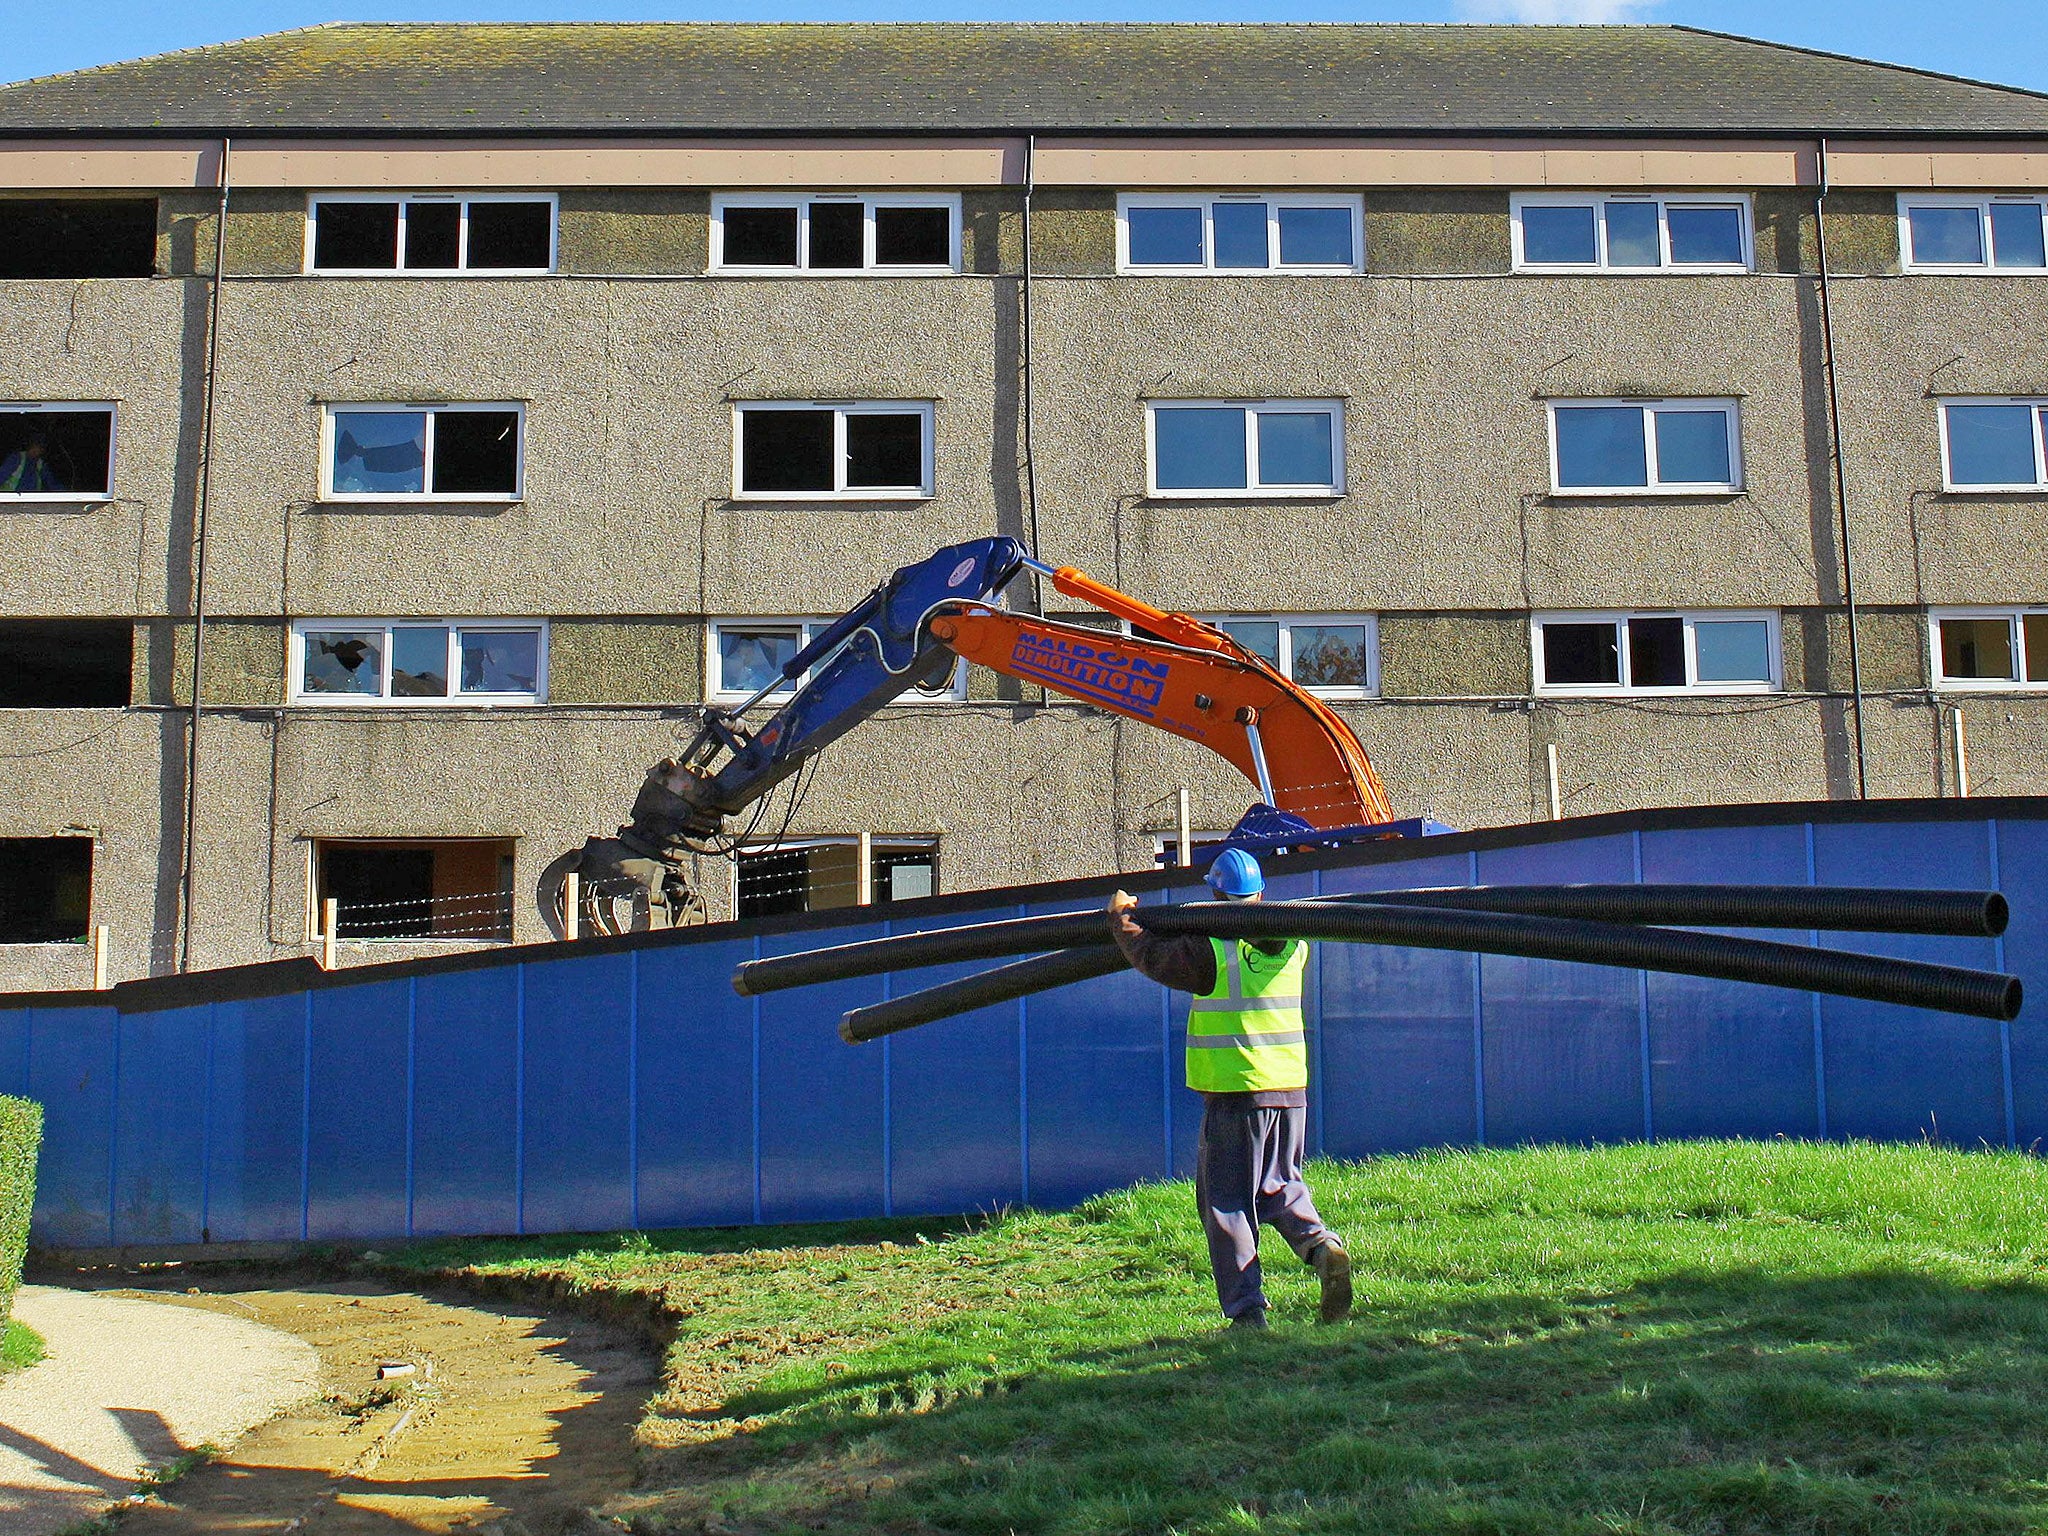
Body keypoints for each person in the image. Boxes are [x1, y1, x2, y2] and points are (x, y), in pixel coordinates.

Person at [1107, 848, 1352, 1330]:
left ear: (1216, 894)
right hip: (1289, 1090)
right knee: (1279, 1184)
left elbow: (1155, 957)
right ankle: (1322, 1247)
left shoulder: (1213, 953)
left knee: (1226, 1201)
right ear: (1261, 893)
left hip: (1236, 1093)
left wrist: (1122, 920)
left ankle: (1247, 1312)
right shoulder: (1294, 942)